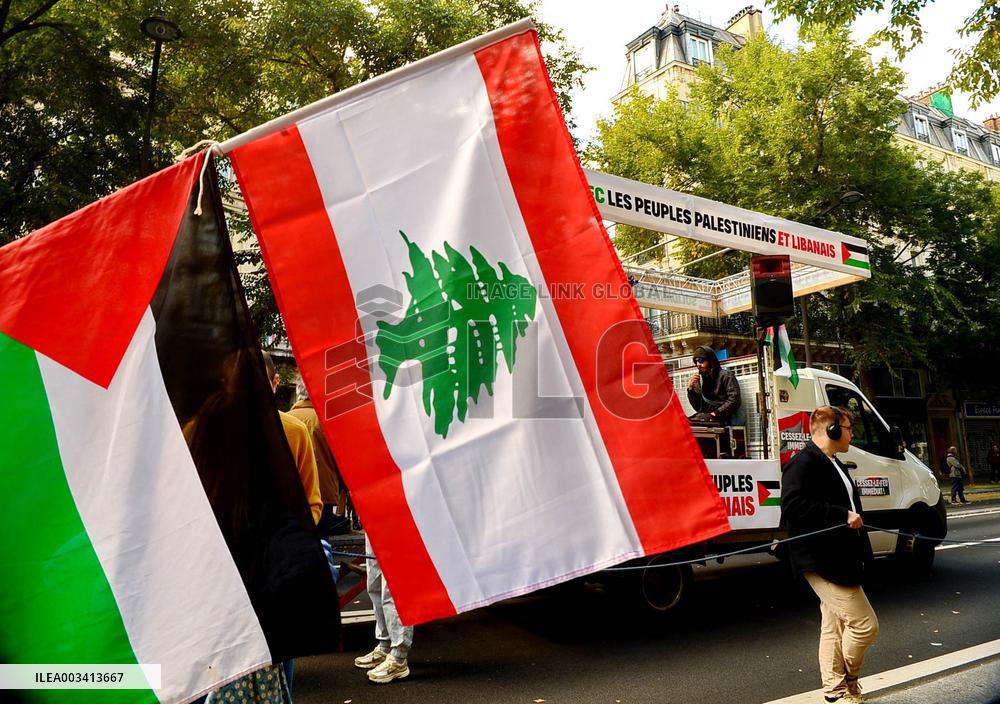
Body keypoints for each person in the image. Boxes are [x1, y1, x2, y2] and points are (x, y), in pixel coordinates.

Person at [781, 406, 878, 704]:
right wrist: (841, 515)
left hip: (841, 556)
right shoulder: (803, 463)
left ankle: (834, 692)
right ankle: (849, 679)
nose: (852, 435)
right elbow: (793, 506)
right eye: (848, 429)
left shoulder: (834, 462)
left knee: (832, 626)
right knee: (865, 626)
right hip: (820, 559)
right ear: (831, 430)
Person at [287, 376, 348, 537]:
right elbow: (340, 459)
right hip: (323, 490)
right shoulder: (328, 421)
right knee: (320, 539)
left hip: (292, 491)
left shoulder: (286, 419)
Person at [353, 536, 414, 684]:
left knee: (394, 586)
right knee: (375, 584)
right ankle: (385, 646)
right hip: (374, 523)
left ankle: (398, 657)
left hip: (398, 525)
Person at [686, 345, 743, 425]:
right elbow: (699, 407)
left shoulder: (725, 376)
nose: (698, 364)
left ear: (710, 360)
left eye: (701, 360)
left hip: (727, 418)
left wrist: (716, 413)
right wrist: (690, 389)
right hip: (708, 418)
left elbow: (734, 400)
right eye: (696, 361)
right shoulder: (699, 380)